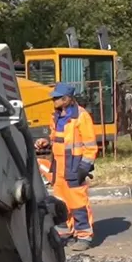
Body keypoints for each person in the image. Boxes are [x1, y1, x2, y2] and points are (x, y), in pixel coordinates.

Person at [34, 83, 99, 251]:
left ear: (67, 99)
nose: (53, 101)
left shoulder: (81, 117)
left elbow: (90, 146)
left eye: (56, 98)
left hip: (74, 167)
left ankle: (84, 236)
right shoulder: (56, 116)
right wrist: (46, 143)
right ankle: (68, 234)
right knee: (62, 203)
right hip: (59, 167)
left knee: (78, 203)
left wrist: (84, 168)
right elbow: (56, 139)